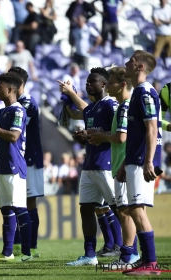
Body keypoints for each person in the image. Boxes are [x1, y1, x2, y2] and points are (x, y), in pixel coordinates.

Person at [58, 67, 119, 266]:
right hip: (89, 165)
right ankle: (89, 255)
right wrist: (83, 138)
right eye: (87, 81)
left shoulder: (111, 105)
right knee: (86, 209)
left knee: (119, 209)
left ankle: (131, 251)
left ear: (104, 84)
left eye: (92, 81)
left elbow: (118, 135)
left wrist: (93, 135)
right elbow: (86, 122)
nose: (88, 84)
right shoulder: (91, 109)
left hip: (106, 164)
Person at [88, 66, 140, 267]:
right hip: (120, 166)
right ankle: (131, 254)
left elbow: (121, 137)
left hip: (124, 167)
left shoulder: (125, 107)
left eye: (110, 82)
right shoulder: (121, 107)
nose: (107, 86)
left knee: (126, 212)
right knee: (125, 211)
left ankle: (130, 255)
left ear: (123, 84)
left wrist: (102, 136)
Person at [116, 50, 162, 276]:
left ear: (140, 67)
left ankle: (151, 264)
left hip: (143, 160)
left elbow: (152, 128)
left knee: (135, 209)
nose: (126, 62)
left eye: (131, 60)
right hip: (135, 159)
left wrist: (149, 161)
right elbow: (136, 134)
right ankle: (146, 259)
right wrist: (125, 163)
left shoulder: (145, 92)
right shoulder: (138, 92)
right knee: (136, 208)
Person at [0, 72, 32, 262]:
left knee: (19, 208)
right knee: (6, 210)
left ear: (9, 89)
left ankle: (26, 252)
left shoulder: (18, 110)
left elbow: (14, 136)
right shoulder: (0, 112)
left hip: (15, 165)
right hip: (1, 165)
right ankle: (7, 252)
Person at [8, 66, 44, 258]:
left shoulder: (27, 102)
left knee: (28, 203)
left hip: (29, 157)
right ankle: (18, 247)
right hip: (21, 158)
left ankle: (30, 248)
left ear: (18, 84)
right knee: (18, 203)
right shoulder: (16, 103)